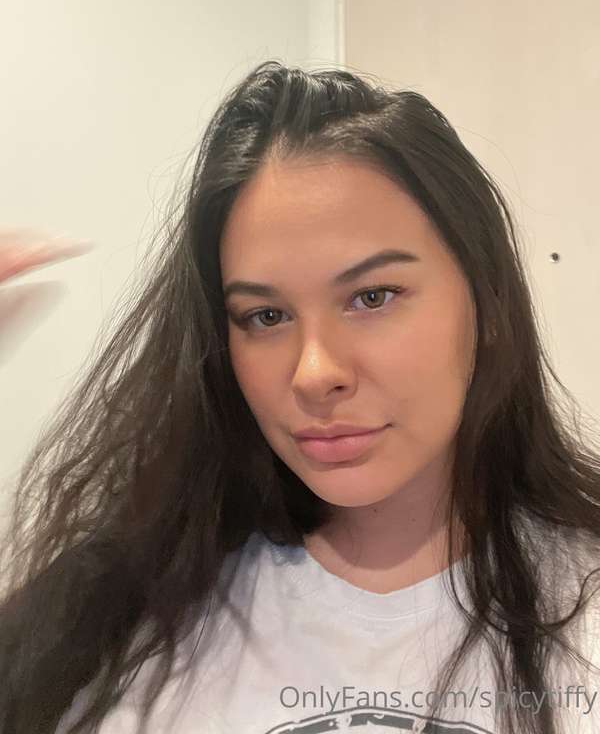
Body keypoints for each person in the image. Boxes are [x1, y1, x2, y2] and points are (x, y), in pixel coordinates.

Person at [1, 61, 600, 734]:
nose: (314, 373)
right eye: (265, 316)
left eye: (372, 296)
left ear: (487, 306)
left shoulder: (582, 610)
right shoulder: (121, 611)